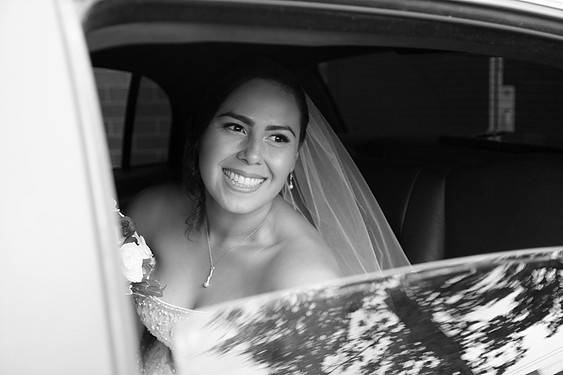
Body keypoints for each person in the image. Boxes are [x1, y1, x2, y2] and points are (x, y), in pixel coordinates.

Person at [127, 59, 409, 374]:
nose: (252, 154)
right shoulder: (151, 212)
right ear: (202, 134)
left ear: (294, 159)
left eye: (277, 138)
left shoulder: (305, 279)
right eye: (236, 127)